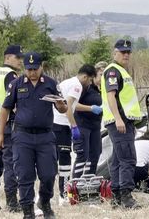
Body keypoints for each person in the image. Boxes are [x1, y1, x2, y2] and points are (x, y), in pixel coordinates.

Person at [0, 51, 67, 219]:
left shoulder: (51, 83)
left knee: (49, 174)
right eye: (28, 69)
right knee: (25, 175)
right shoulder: (16, 84)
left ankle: (45, 202)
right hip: (23, 137)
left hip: (45, 137)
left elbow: (63, 109)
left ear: (42, 67)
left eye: (35, 69)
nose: (32, 72)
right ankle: (28, 211)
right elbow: (5, 109)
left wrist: (60, 104)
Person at [101, 39, 143, 209]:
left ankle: (117, 196)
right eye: (122, 51)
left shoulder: (121, 71)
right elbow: (111, 96)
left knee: (118, 160)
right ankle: (126, 198)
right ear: (115, 52)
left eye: (128, 52)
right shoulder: (113, 71)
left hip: (123, 122)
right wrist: (118, 119)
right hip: (120, 122)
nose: (126, 55)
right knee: (128, 159)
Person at [0, 45, 23, 212]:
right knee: (10, 163)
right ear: (8, 57)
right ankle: (12, 203)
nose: (21, 61)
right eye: (18, 58)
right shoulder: (11, 75)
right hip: (6, 124)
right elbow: (13, 101)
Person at [52, 64, 96, 200]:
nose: (89, 84)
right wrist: (74, 126)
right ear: (84, 76)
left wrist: (90, 108)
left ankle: (48, 193)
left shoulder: (67, 82)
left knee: (53, 159)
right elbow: (68, 107)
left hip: (53, 123)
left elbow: (73, 106)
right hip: (62, 125)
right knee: (65, 162)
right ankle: (64, 194)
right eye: (89, 80)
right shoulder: (77, 86)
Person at [72, 61, 107, 178]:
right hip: (82, 125)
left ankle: (89, 182)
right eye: (101, 74)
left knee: (96, 154)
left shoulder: (103, 89)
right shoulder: (85, 87)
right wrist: (90, 108)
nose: (103, 77)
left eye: (105, 74)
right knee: (83, 154)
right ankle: (75, 185)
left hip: (96, 126)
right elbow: (73, 105)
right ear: (95, 74)